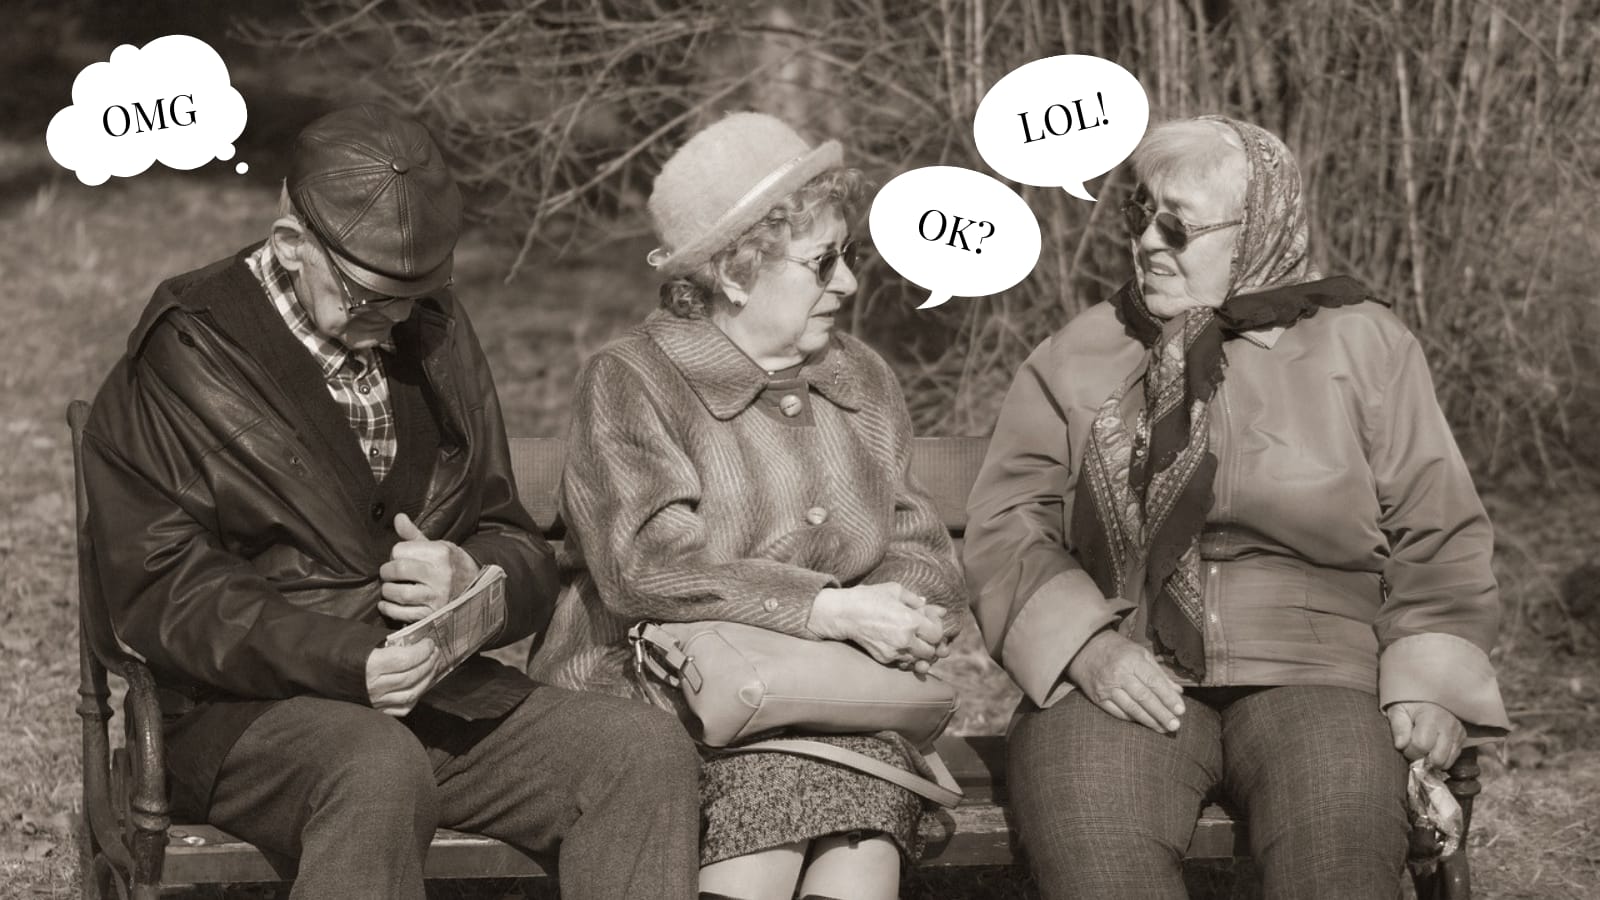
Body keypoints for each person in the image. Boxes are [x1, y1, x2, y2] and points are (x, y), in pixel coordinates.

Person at [81, 104, 700, 900]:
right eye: (372, 300)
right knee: (375, 766)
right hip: (241, 718)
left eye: (419, 294)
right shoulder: (187, 349)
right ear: (290, 248)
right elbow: (162, 589)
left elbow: (514, 536)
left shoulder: (428, 325)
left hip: (437, 702)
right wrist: (349, 661)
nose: (398, 321)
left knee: (639, 752)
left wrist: (471, 575)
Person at [963, 115, 1510, 899]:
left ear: (1256, 230)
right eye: (1139, 214)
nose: (1149, 241)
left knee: (1338, 864)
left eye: (1177, 224)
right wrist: (1085, 647)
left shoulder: (1364, 345)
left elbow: (1441, 529)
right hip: (1125, 664)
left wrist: (1429, 682)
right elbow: (1008, 523)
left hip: (1320, 666)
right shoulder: (1079, 352)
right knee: (1098, 864)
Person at [527, 112, 966, 900]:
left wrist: (909, 608)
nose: (850, 283)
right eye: (822, 260)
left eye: (849, 254)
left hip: (834, 699)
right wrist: (826, 611)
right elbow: (645, 570)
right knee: (782, 797)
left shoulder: (860, 377)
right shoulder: (634, 380)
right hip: (663, 702)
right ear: (735, 273)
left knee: (857, 826)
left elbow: (917, 540)